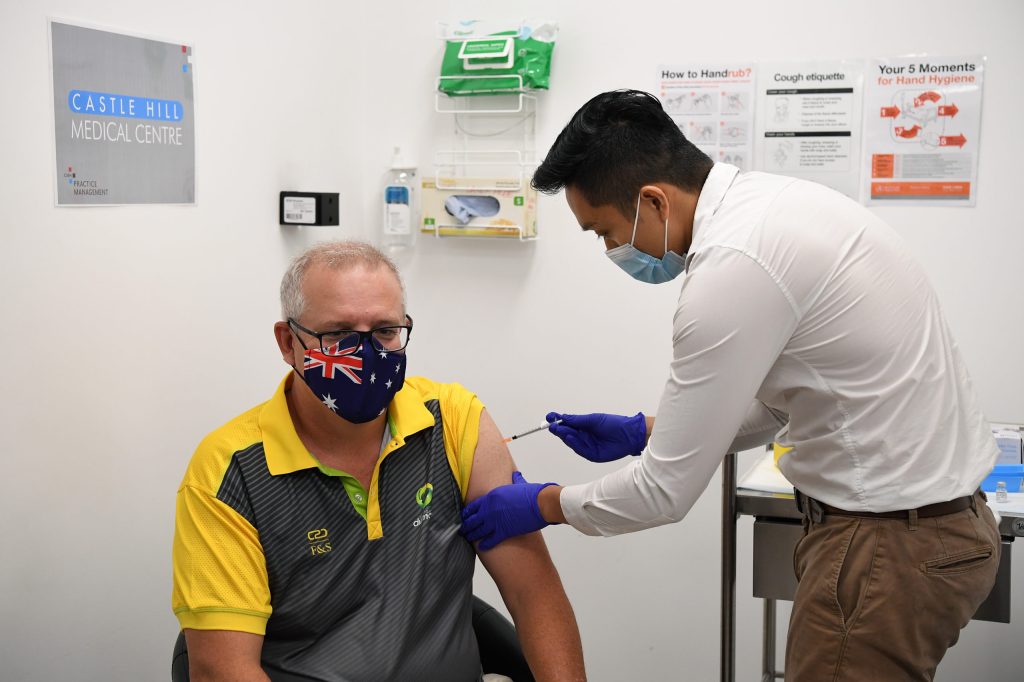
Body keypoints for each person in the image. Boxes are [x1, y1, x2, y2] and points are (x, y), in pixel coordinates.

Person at [460, 90, 1001, 681]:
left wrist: (543, 503)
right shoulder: (778, 205)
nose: (613, 250)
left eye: (604, 232)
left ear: (652, 201)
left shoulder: (731, 270)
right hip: (933, 528)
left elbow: (663, 494)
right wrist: (645, 432)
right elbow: (783, 401)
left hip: (888, 546)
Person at [172, 241, 586, 682]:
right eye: (338, 335)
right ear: (288, 341)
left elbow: (533, 592)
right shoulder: (229, 471)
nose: (367, 354)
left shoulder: (452, 420)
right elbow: (223, 669)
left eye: (385, 331)